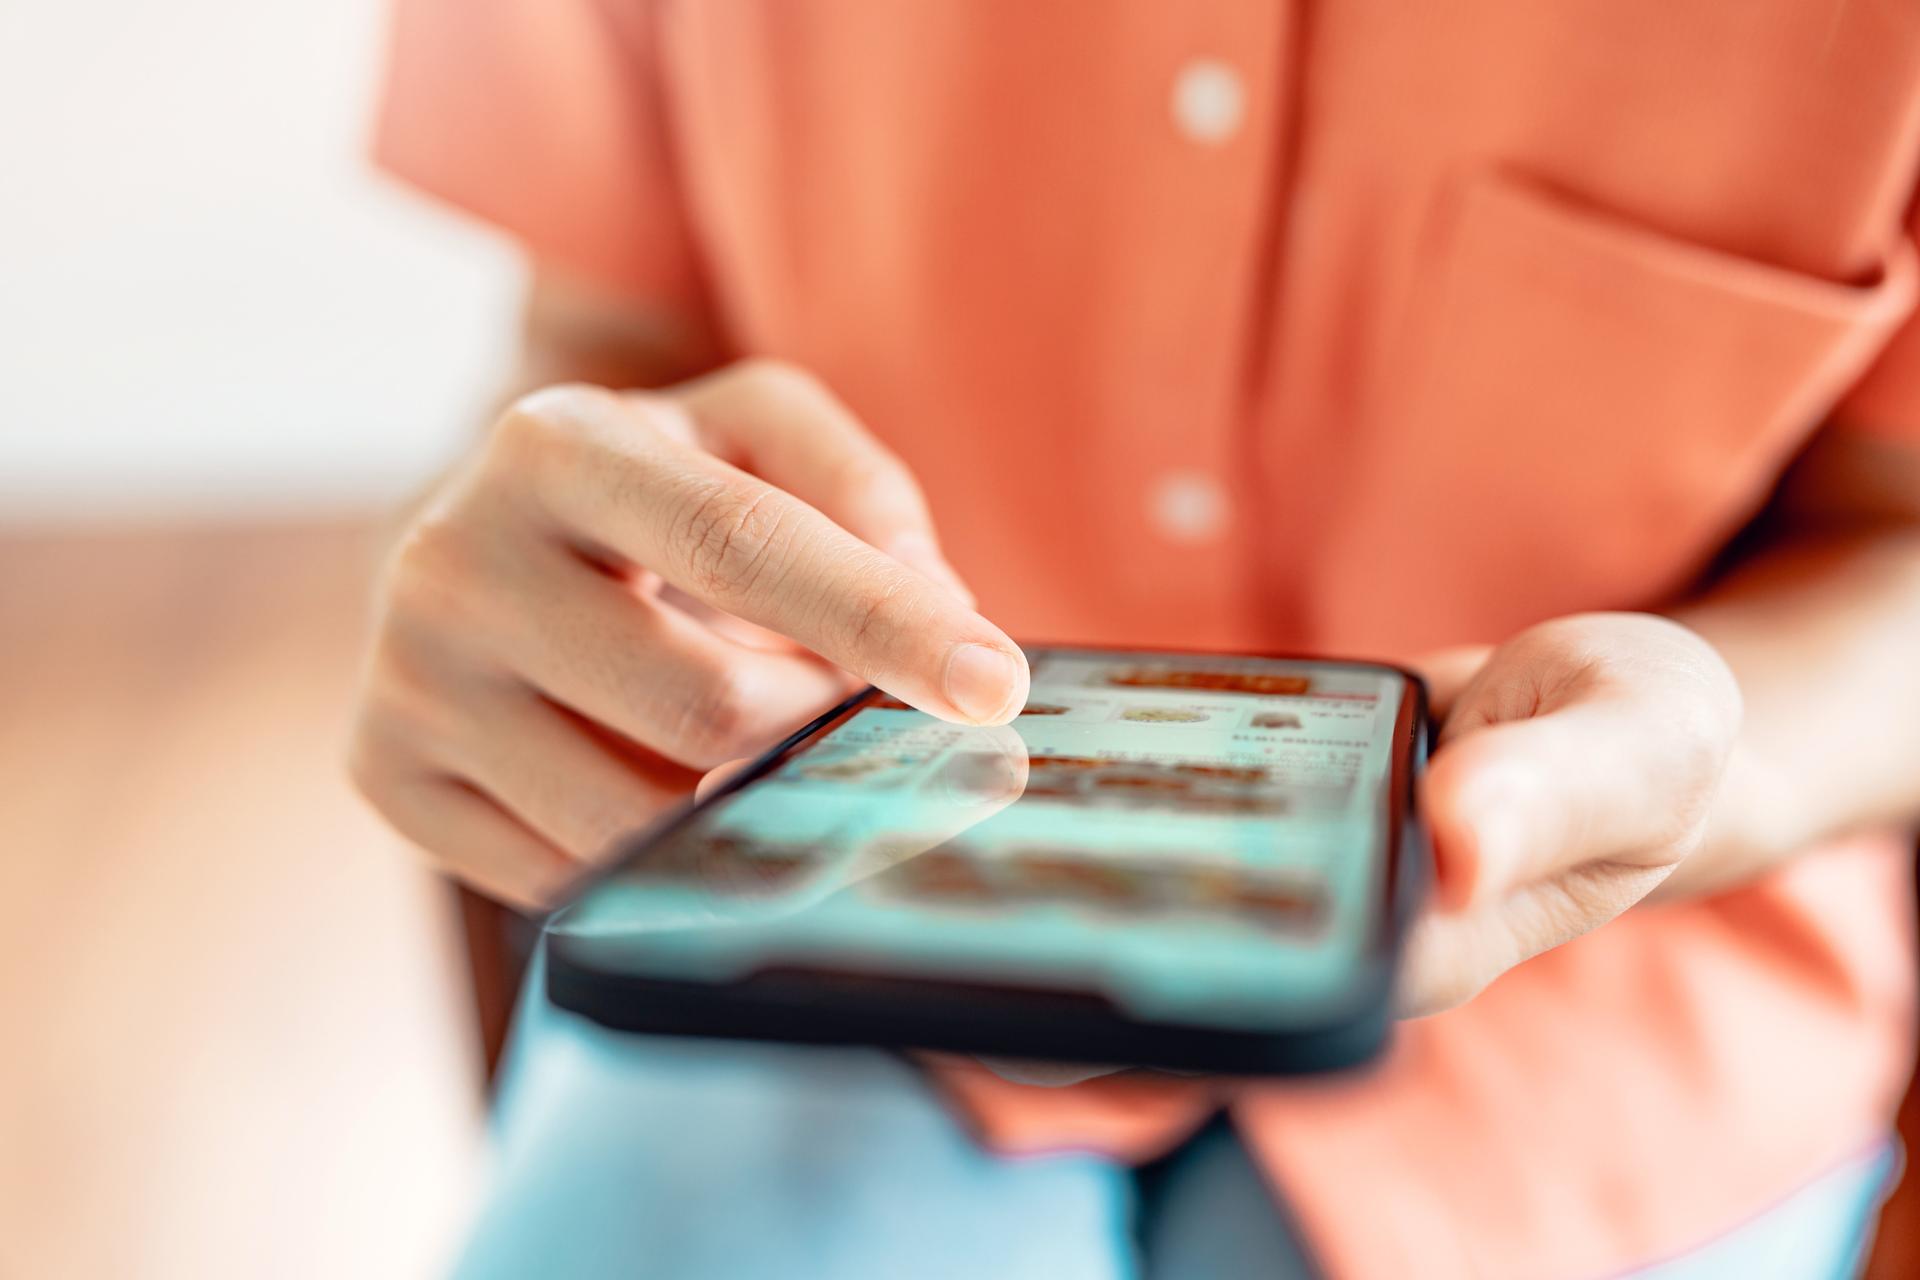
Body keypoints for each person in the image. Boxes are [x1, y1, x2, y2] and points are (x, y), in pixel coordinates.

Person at [350, 3, 1920, 1276]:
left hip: (1635, 975)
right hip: (838, 864)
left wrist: (1719, 748)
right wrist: (566, 566)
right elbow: (613, 349)